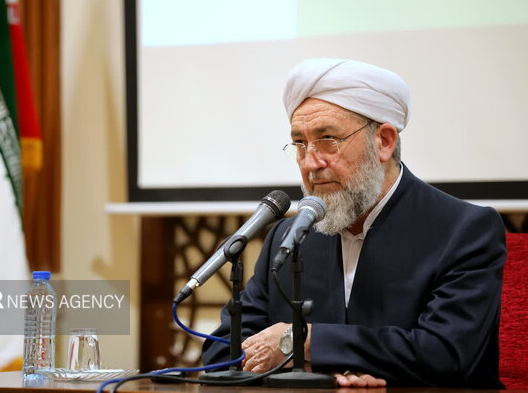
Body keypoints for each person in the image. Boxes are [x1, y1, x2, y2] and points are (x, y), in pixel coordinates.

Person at [201, 58, 506, 388]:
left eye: (327, 139)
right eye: (300, 143)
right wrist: (316, 373)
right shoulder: (289, 238)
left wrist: (304, 342)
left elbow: (446, 354)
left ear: (384, 141)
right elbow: (223, 351)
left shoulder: (463, 230)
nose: (310, 163)